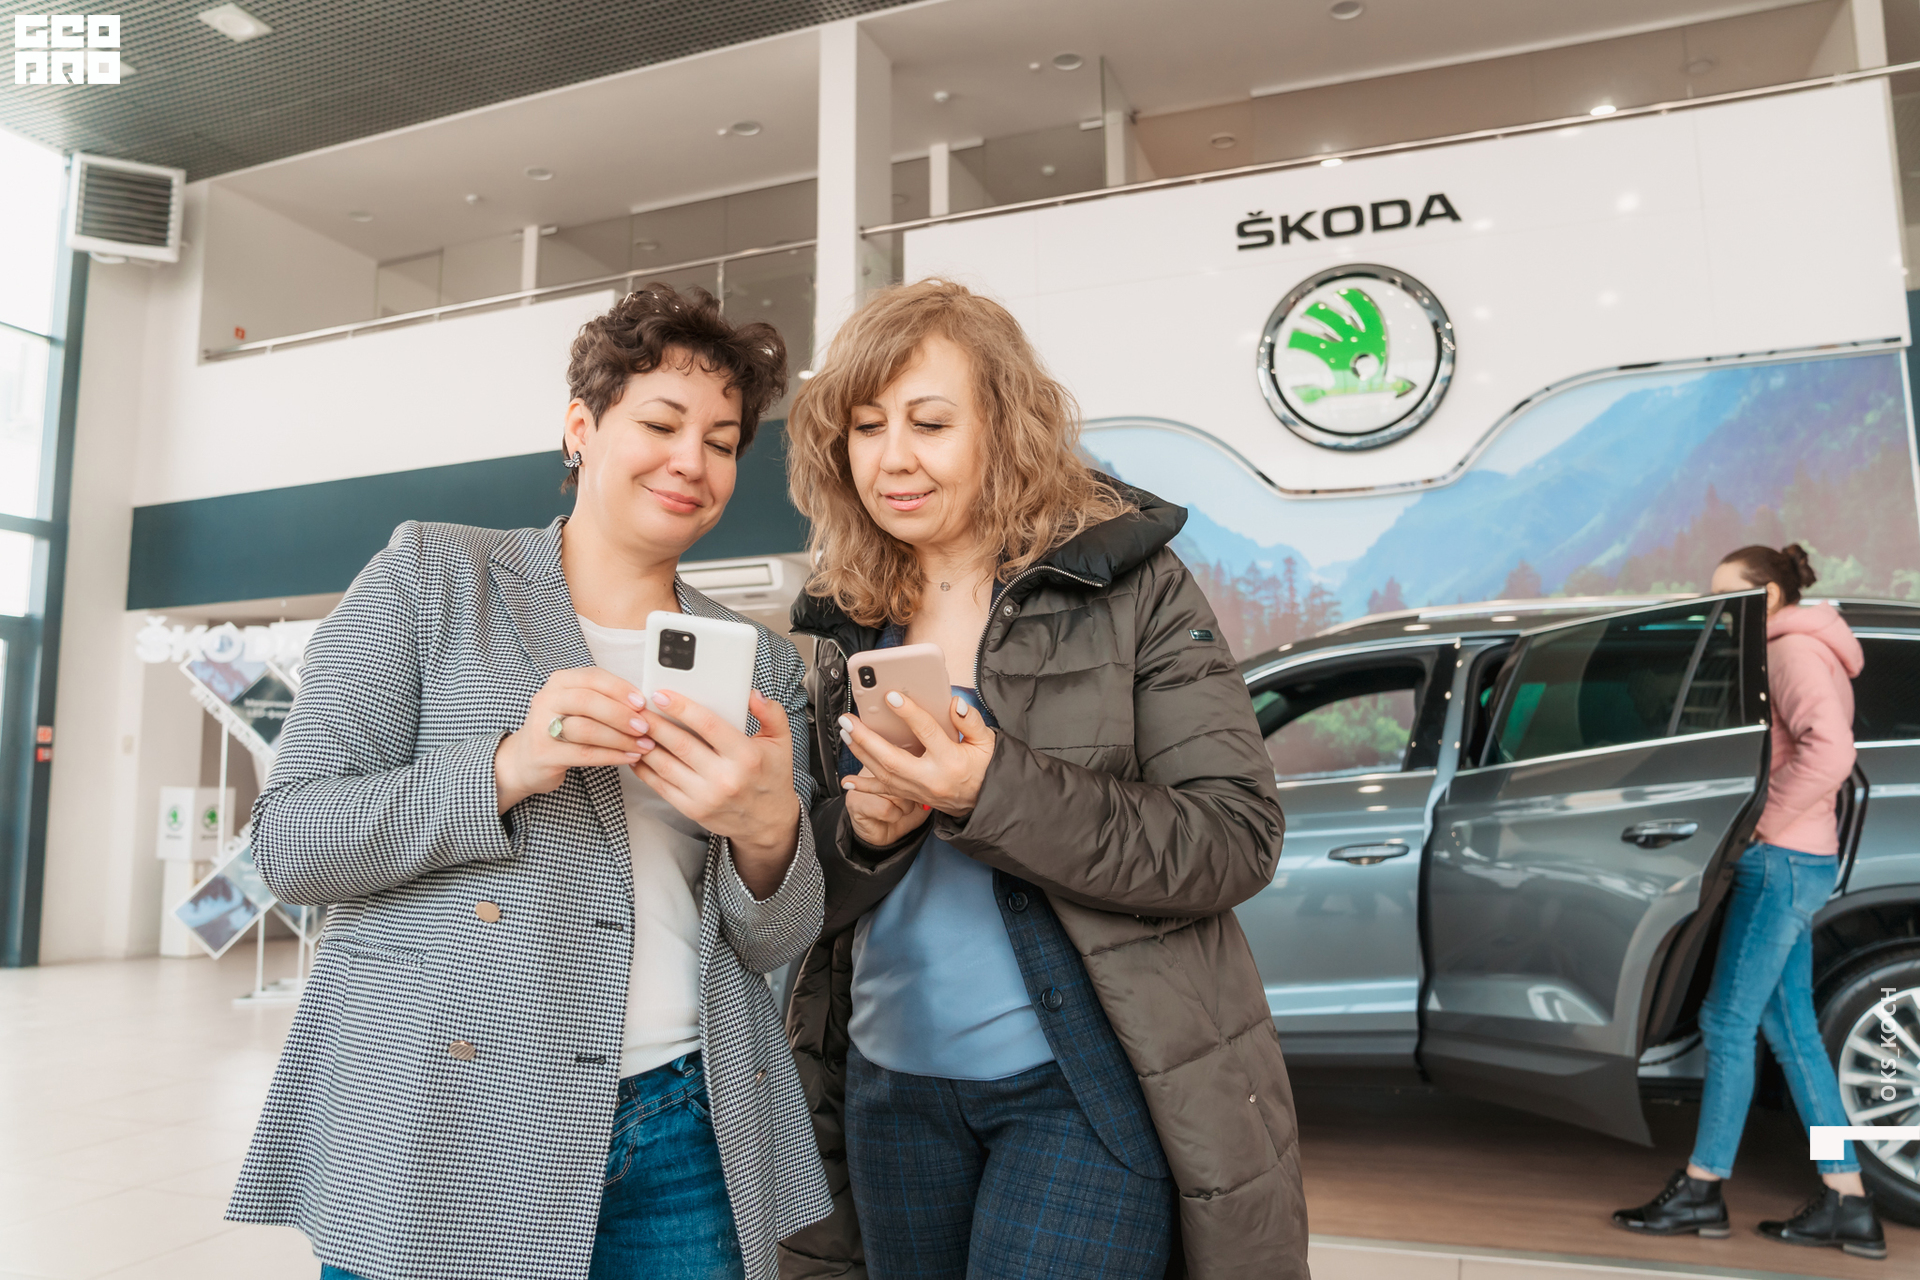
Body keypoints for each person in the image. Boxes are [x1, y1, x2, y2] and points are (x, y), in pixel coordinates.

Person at [225, 285, 832, 1280]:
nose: (693, 460)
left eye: (721, 442)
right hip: (448, 1114)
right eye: (662, 424)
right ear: (581, 428)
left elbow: (775, 938)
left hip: (689, 1125)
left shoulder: (758, 662)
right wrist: (508, 765)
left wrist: (769, 832)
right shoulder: (433, 576)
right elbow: (292, 843)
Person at [777, 279, 1306, 1280]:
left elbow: (1235, 836)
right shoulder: (848, 619)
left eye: (931, 422)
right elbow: (811, 897)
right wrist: (865, 833)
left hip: (1080, 1085)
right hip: (888, 1088)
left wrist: (990, 790)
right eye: (867, 427)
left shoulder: (1132, 585)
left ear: (1005, 425)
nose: (893, 457)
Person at [1613, 543, 1883, 1260]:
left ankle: (1702, 1189)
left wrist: (1761, 823)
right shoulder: (1798, 648)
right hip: (1798, 861)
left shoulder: (1792, 653)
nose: (1717, 607)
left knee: (1727, 1023)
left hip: (1781, 862)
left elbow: (1832, 752)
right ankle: (1847, 1197)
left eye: (1727, 595)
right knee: (1792, 1033)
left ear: (1767, 597)